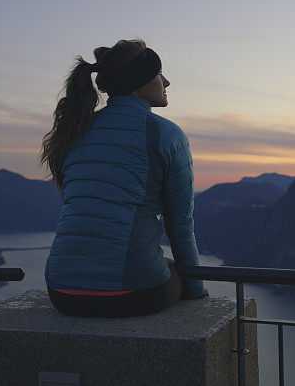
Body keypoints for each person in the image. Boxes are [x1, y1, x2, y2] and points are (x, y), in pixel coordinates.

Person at [39, 39, 208, 318]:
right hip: (130, 293)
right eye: (158, 74)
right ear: (139, 84)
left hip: (62, 291)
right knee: (172, 270)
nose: (166, 82)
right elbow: (179, 223)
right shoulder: (165, 134)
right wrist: (195, 291)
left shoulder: (78, 130)